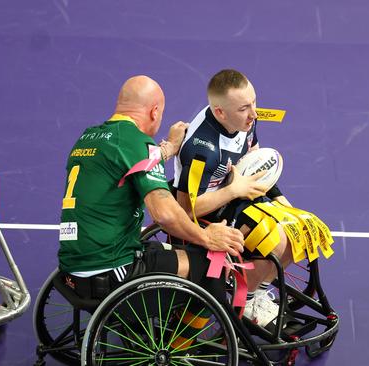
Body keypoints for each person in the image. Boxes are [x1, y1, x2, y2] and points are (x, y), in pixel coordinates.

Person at [58, 75, 245, 349]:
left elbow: (131, 162)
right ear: (154, 111)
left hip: (72, 270)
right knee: (212, 269)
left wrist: (168, 147)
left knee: (157, 251)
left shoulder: (89, 137)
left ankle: (140, 330)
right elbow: (165, 215)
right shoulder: (136, 142)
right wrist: (207, 237)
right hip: (112, 273)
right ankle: (176, 347)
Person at [173, 69, 296, 328]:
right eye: (244, 108)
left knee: (296, 229)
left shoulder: (245, 119)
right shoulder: (201, 148)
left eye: (254, 102)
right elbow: (185, 209)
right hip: (205, 216)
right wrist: (234, 191)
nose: (253, 113)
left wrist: (279, 198)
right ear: (220, 113)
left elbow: (254, 160)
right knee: (274, 239)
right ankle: (248, 302)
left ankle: (258, 292)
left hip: (234, 197)